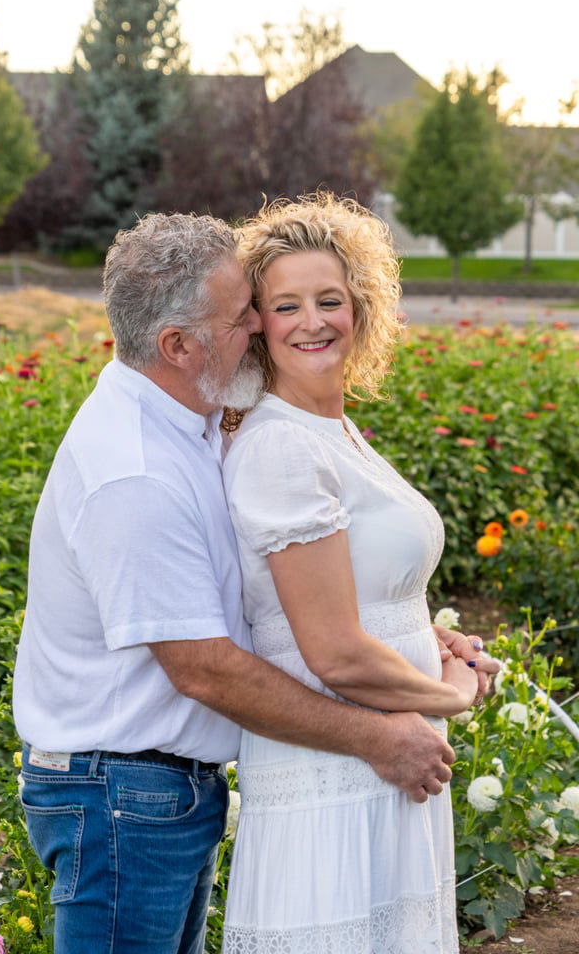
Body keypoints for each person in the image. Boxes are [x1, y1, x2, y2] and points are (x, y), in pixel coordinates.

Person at [13, 211, 494, 954]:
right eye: (247, 316)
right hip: (119, 793)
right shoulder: (135, 474)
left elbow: (259, 597)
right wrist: (433, 702)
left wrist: (407, 633)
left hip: (156, 791)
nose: (263, 329)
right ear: (178, 346)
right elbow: (206, 667)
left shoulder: (193, 423)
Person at [221, 193, 489, 954]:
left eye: (330, 300)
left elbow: (365, 595)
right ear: (257, 324)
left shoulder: (331, 429)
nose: (312, 321)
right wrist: (454, 694)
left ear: (362, 307)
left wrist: (433, 641)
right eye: (286, 305)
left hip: (387, 763)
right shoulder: (281, 446)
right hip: (332, 774)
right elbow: (334, 651)